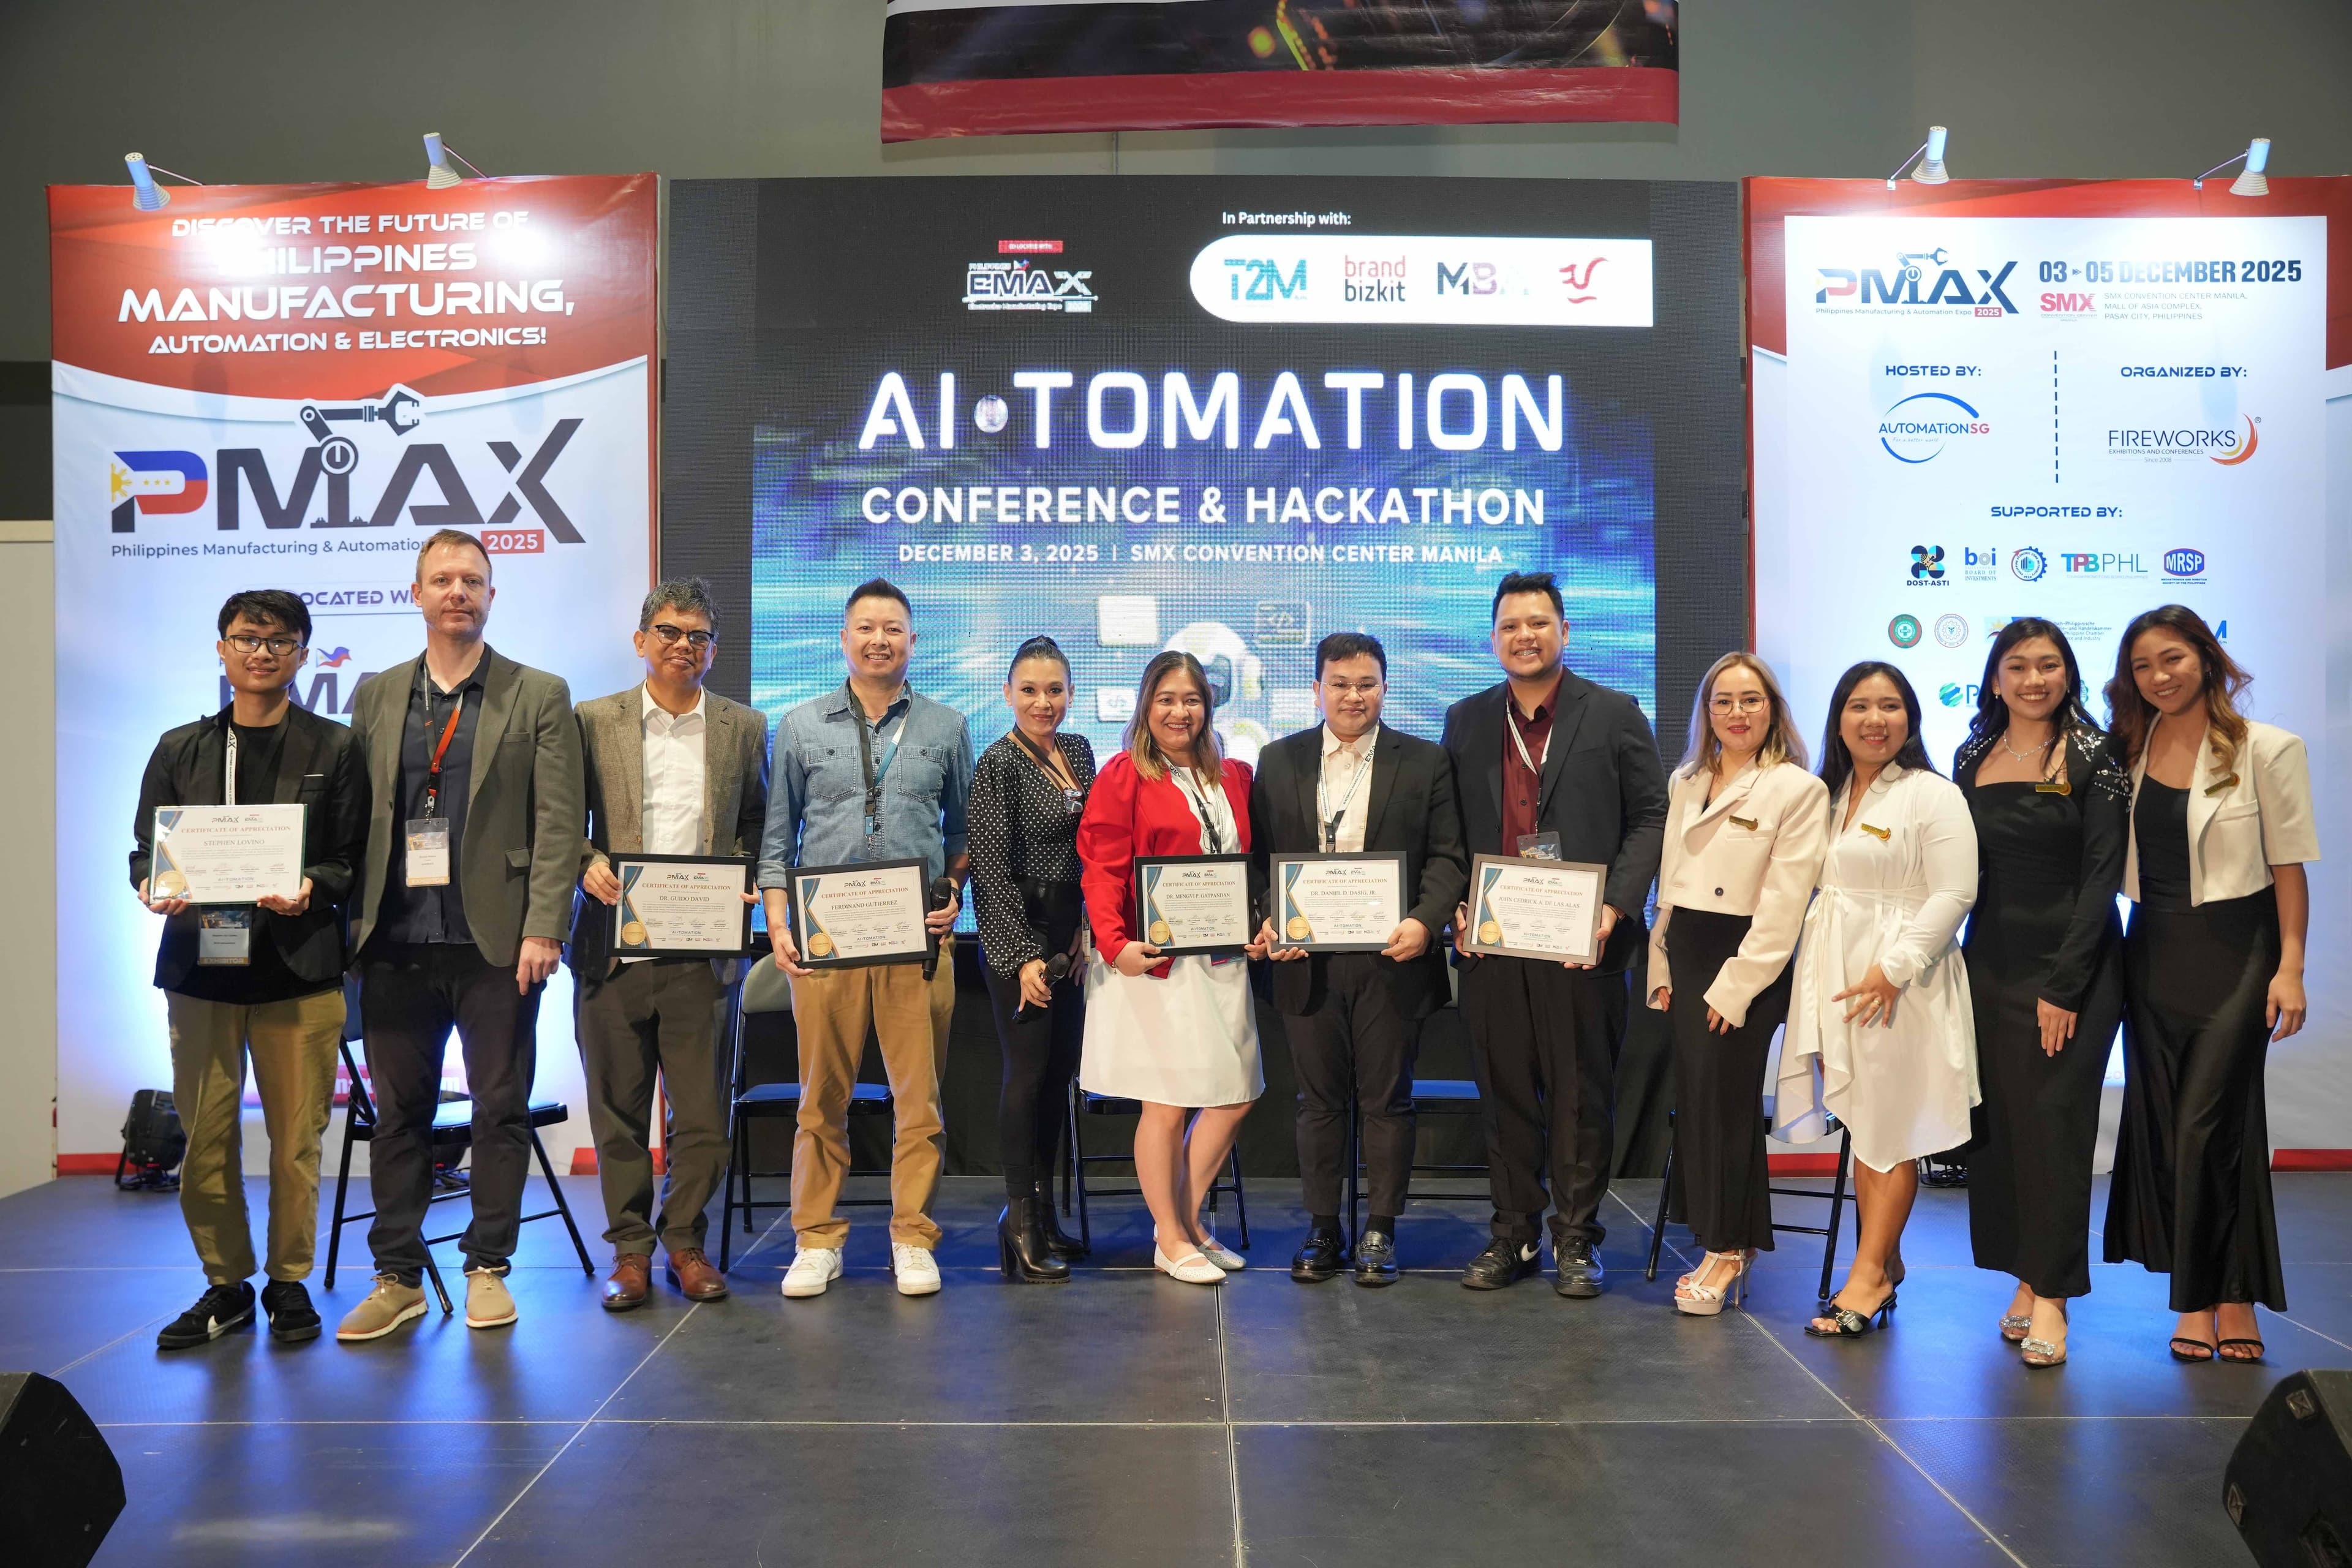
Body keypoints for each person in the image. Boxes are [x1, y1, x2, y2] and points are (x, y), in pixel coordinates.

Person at [337, 530, 587, 1341]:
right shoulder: (375, 694)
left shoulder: (537, 692)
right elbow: (352, 815)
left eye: (471, 580)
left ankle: (487, 1267)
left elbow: (559, 824)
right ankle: (397, 1276)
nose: (457, 592)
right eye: (441, 579)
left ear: (490, 596)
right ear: (417, 594)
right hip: (395, 941)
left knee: (499, 1111)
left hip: (499, 944)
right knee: (399, 1117)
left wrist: (547, 925)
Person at [132, 590, 368, 1350]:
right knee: (206, 1136)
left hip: (299, 972)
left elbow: (351, 858)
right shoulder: (180, 749)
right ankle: (225, 1284)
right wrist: (148, 885)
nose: (261, 652)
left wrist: (313, 889)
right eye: (247, 638)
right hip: (201, 970)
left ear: (303, 652)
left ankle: (289, 1281)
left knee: (297, 1139)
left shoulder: (334, 748)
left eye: (279, 641)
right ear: (222, 648)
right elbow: (148, 849)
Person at [1441, 570, 1668, 1296]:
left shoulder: (1614, 713)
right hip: (1495, 941)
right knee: (1505, 1095)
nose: (1524, 636)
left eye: (1538, 623)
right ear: (1494, 638)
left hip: (1585, 942)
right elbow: (1448, 831)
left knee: (1579, 1093)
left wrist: (1617, 906)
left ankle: (1577, 1237)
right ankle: (1514, 1235)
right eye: (1510, 626)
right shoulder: (1467, 718)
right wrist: (1454, 909)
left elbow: (1651, 816)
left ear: (1564, 632)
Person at [2101, 606, 2317, 1365]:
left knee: (2210, 1122)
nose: (2159, 676)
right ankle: (2208, 1298)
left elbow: (2289, 868)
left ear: (2206, 658)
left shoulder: (2268, 748)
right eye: (2142, 667)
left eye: (2172, 659)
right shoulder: (2127, 746)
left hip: (2240, 951)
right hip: (2152, 952)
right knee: (2169, 1124)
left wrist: (2291, 966)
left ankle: (2223, 1295)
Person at [759, 579, 973, 1300]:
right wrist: (779, 925)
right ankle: (816, 1237)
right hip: (826, 947)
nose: (879, 639)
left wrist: (953, 898)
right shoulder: (798, 725)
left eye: (893, 629)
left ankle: (913, 1235)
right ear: (843, 639)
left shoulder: (946, 726)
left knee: (922, 1100)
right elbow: (776, 839)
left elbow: (962, 833)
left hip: (918, 944)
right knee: (822, 1100)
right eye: (866, 628)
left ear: (914, 642)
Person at [570, 579, 769, 1311]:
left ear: (713, 649)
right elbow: (558, 817)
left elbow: (756, 818)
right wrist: (584, 857)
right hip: (612, 952)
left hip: (702, 956)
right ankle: (629, 1251)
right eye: (668, 631)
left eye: (697, 635)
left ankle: (684, 1240)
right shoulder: (594, 721)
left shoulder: (744, 727)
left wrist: (746, 878)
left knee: (704, 1121)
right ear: (641, 640)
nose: (682, 644)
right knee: (616, 1114)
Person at [1251, 631, 1467, 1286]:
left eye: (1366, 683)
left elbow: (1449, 857)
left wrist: (1423, 923)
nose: (1353, 695)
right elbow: (1260, 861)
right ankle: (1323, 1227)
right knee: (1317, 1102)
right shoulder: (1277, 758)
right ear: (1317, 689)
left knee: (1387, 1101)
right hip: (1303, 962)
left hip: (1391, 959)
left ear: (1384, 687)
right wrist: (1267, 915)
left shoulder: (1425, 760)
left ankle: (1380, 1229)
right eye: (1339, 683)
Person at [1779, 662, 1977, 1338]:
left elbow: (1956, 893)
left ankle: (1865, 1275)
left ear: (1911, 718)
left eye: (1890, 706)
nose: (1874, 719)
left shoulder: (1932, 793)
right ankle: (1883, 1261)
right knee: (1868, 1124)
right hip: (1839, 975)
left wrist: (1894, 968)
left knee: (1891, 1127)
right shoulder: (1829, 795)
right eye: (1859, 706)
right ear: (1838, 719)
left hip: (1902, 984)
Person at [1953, 619, 2127, 1370]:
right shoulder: (1971, 755)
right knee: (2004, 1132)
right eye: (2017, 666)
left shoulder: (2097, 753)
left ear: (2068, 674)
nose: (2033, 679)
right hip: (1987, 964)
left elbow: (2101, 877)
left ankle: (2054, 1296)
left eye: (2048, 665)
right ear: (1995, 679)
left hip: (2072, 969)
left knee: (2055, 1130)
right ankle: (2024, 1276)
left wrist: (2066, 983)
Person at [1645, 652, 1827, 1317]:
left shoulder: (1797, 789)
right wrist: (1661, 966)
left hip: (1745, 959)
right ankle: (1721, 1236)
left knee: (1725, 1104)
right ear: (1707, 711)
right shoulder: (1686, 779)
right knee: (1699, 1101)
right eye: (1723, 700)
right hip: (1688, 951)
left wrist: (1739, 985)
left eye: (1751, 700)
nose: (1737, 713)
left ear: (1773, 708)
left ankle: (1727, 1248)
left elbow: (1785, 904)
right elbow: (1672, 887)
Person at [1077, 650, 1267, 1286]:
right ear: (1146, 706)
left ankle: (1184, 1222)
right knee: (1166, 1105)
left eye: (1191, 699)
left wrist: (1263, 923)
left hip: (1223, 963)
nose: (1179, 711)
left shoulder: (1235, 775)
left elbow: (1250, 866)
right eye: (1166, 699)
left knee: (1236, 1094)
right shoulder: (1124, 775)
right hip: (1152, 965)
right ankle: (1170, 1235)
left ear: (1208, 706)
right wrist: (1112, 943)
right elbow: (1102, 868)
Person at [967, 635, 1096, 1283]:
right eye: (1029, 690)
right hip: (1016, 934)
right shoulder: (998, 762)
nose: (1042, 702)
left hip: (1070, 940)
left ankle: (1045, 1214)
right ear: (1008, 693)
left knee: (1056, 1077)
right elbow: (989, 873)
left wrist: (1082, 939)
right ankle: (1018, 1221)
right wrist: (1023, 958)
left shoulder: (1078, 750)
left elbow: (1094, 851)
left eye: (1054, 690)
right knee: (1026, 1074)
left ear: (1071, 694)